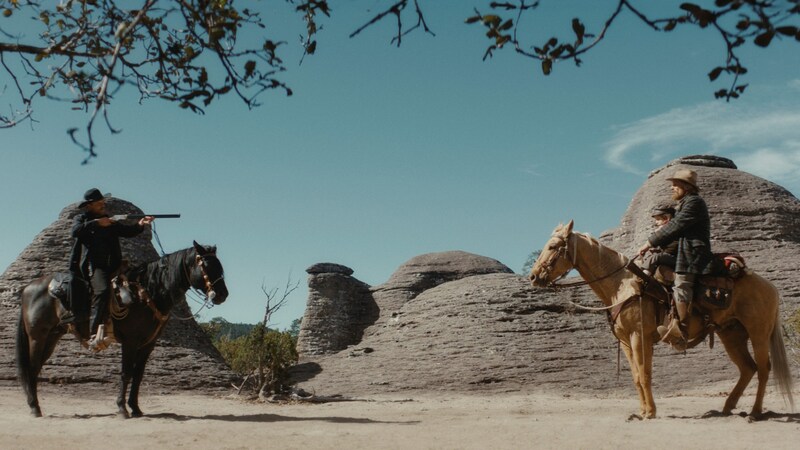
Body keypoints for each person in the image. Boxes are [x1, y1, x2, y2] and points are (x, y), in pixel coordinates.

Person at [69, 188, 154, 351]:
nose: (103, 205)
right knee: (101, 292)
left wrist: (141, 225)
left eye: (102, 202)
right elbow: (75, 232)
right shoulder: (82, 218)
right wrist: (96, 223)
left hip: (115, 266)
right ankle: (93, 333)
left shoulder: (109, 220)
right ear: (90, 205)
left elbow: (126, 231)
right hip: (96, 267)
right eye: (99, 203)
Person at [638, 169, 714, 346]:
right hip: (684, 252)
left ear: (687, 187)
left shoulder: (694, 202)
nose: (672, 187)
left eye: (675, 184)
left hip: (694, 254)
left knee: (682, 284)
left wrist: (649, 243)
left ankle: (682, 333)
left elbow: (676, 226)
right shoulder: (685, 203)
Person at [640, 205, 678, 281]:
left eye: (658, 219)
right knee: (653, 256)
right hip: (669, 256)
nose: (656, 223)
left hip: (677, 259)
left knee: (655, 257)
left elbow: (673, 248)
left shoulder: (671, 230)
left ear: (666, 218)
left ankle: (642, 279)